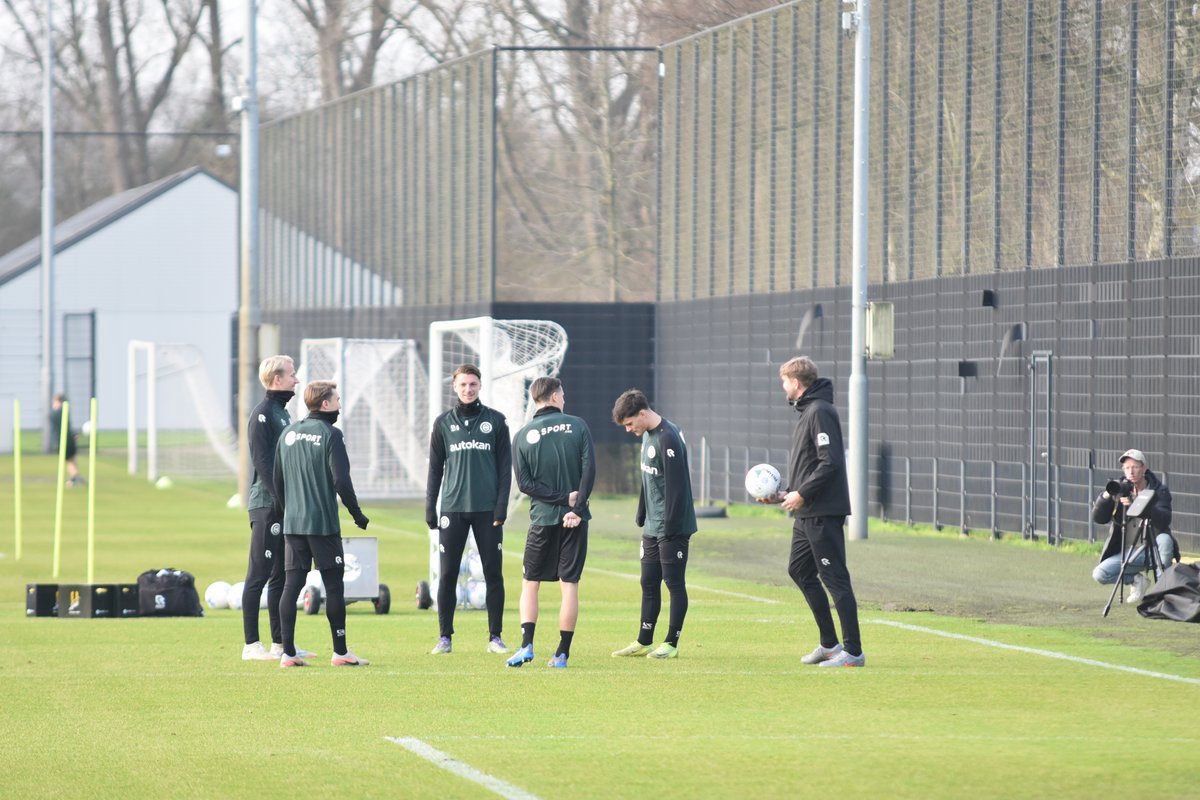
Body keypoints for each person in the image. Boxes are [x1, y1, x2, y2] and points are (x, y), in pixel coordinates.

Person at [768, 356, 864, 667]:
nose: (783, 386)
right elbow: (810, 466)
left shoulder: (820, 411)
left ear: (796, 382)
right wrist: (786, 493)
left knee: (835, 579)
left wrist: (803, 493)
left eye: (784, 381)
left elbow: (830, 462)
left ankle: (853, 651)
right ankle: (829, 644)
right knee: (799, 570)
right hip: (807, 511)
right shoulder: (807, 411)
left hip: (822, 511)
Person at [272, 380, 370, 668]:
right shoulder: (331, 434)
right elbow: (341, 481)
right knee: (334, 586)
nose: (340, 405)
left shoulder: (288, 433)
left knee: (292, 586)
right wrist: (357, 514)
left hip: (293, 524)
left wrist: (288, 511)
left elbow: (276, 480)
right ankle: (341, 653)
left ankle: (288, 653)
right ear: (325, 404)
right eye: (337, 400)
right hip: (322, 525)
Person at [507, 377, 595, 669]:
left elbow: (525, 484)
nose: (564, 398)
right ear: (555, 396)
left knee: (530, 583)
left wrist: (559, 498)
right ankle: (562, 654)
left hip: (542, 519)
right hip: (575, 519)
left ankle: (526, 646)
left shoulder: (522, 435)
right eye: (563, 394)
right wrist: (575, 507)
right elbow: (589, 471)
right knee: (569, 585)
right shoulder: (578, 426)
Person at [425, 364, 513, 655]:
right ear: (454, 387)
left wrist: (502, 506)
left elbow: (505, 469)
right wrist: (430, 505)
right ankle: (445, 638)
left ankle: (495, 637)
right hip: (453, 509)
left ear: (480, 385)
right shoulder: (443, 423)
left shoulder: (496, 421)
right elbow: (435, 469)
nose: (468, 389)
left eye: (473, 384)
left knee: (493, 574)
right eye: (463, 384)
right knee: (448, 574)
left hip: (487, 510)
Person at [610, 389, 697, 660]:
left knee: (673, 582)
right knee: (648, 582)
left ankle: (671, 643)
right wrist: (641, 511)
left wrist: (669, 525)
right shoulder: (647, 435)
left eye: (629, 423)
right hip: (652, 523)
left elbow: (677, 487)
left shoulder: (668, 437)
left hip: (673, 525)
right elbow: (649, 478)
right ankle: (643, 640)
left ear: (642, 414)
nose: (628, 430)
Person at [239, 355, 314, 662]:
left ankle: (281, 644)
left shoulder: (283, 414)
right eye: (292, 374)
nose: (297, 379)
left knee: (280, 576)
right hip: (267, 505)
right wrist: (281, 499)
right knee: (258, 573)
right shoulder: (262, 414)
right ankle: (250, 645)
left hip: (283, 504)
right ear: (277, 379)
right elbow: (262, 462)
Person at [1091, 448, 1176, 604]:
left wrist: (1137, 504)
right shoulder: (1120, 490)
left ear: (1144, 468)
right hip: (1130, 551)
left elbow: (1164, 520)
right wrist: (1107, 495)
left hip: (1153, 548)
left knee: (1165, 540)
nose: (1131, 472)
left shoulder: (1159, 490)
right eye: (1127, 468)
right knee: (1100, 574)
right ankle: (1137, 580)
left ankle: (1162, 594)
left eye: (1135, 467)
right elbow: (1099, 519)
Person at [49, 393, 85, 487]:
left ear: (58, 401)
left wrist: (73, 434)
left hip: (64, 441)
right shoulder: (65, 411)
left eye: (54, 401)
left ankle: (75, 478)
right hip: (68, 440)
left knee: (69, 461)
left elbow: (53, 419)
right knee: (71, 460)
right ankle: (76, 477)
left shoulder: (57, 413)